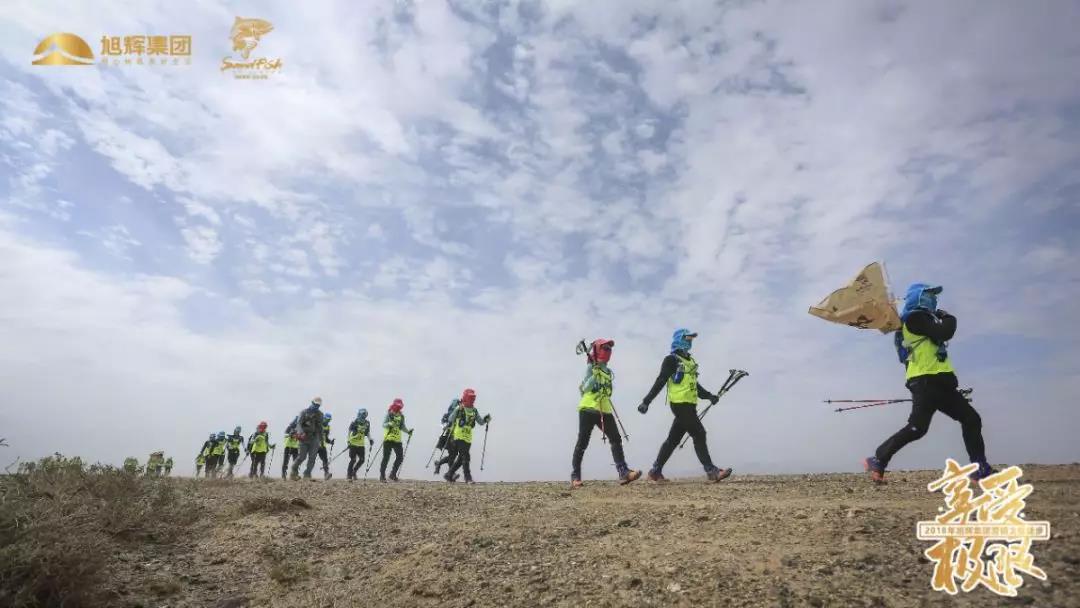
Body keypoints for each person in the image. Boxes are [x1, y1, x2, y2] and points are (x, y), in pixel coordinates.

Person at [865, 284, 992, 484]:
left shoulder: (923, 319)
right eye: (929, 294)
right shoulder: (915, 318)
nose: (933, 299)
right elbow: (945, 332)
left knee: (971, 419)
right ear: (918, 297)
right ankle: (878, 459)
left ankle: (980, 468)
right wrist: (948, 316)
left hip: (940, 383)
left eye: (934, 295)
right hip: (925, 382)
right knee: (917, 428)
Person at [637, 329, 733, 483]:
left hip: (689, 405)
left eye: (691, 340)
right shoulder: (671, 359)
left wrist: (709, 396)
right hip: (679, 404)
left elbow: (694, 385)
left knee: (673, 440)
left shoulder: (690, 361)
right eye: (687, 339)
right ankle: (711, 471)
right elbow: (661, 380)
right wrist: (646, 401)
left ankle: (655, 471)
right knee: (699, 433)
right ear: (679, 339)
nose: (690, 342)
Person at [571, 339, 641, 488]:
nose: (608, 350)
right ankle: (575, 476)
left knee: (615, 438)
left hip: (605, 408)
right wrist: (594, 376)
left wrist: (603, 384)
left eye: (609, 348)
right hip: (588, 408)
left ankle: (624, 472)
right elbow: (584, 388)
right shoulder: (590, 367)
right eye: (605, 347)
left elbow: (609, 391)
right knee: (583, 442)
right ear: (597, 350)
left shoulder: (608, 371)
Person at [443, 388, 491, 484]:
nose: (472, 400)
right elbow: (450, 419)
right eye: (470, 398)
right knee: (466, 457)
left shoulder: (474, 410)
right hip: (459, 436)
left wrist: (486, 420)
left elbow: (481, 422)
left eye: (473, 398)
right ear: (465, 397)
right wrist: (457, 410)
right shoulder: (459, 408)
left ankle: (449, 474)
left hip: (468, 438)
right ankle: (468, 478)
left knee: (461, 459)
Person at [290, 398, 325, 481]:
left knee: (312, 458)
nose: (316, 406)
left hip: (314, 438)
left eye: (318, 405)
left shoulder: (320, 414)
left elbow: (320, 428)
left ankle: (307, 474)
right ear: (312, 403)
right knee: (302, 457)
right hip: (304, 437)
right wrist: (301, 433)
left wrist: (322, 441)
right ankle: (294, 471)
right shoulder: (303, 412)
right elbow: (298, 424)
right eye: (315, 404)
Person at [379, 398, 413, 482]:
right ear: (394, 405)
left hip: (397, 439)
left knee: (400, 457)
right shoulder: (389, 414)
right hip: (388, 438)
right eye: (397, 406)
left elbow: (402, 426)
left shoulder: (401, 416)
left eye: (400, 406)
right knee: (386, 458)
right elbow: (383, 424)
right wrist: (389, 423)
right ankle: (382, 476)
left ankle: (393, 474)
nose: (398, 407)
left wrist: (408, 432)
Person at [433, 395, 464, 476]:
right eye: (458, 404)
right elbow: (442, 424)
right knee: (452, 455)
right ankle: (451, 473)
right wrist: (446, 426)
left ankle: (439, 463)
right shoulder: (447, 415)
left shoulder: (460, 414)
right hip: (449, 436)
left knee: (452, 455)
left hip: (456, 437)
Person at [346, 408, 374, 481]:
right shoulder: (354, 422)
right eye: (363, 414)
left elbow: (367, 432)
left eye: (365, 414)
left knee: (362, 460)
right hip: (353, 443)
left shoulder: (367, 423)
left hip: (361, 444)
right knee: (353, 459)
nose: (364, 415)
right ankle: (349, 475)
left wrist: (370, 439)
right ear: (359, 414)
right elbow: (349, 431)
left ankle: (354, 471)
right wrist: (348, 441)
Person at [317, 412, 335, 480]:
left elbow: (326, 438)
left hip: (322, 446)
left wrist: (330, 442)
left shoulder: (327, 427)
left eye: (329, 420)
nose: (327, 421)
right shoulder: (318, 425)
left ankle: (326, 473)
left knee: (325, 460)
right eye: (326, 419)